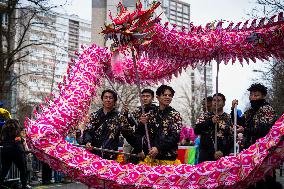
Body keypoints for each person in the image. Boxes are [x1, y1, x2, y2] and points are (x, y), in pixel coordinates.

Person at [231, 83, 278, 189]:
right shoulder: (250, 111)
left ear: (263, 96)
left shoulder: (267, 110)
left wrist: (245, 130)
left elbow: (264, 129)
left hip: (265, 150)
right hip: (250, 150)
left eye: (256, 95)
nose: (253, 97)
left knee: (265, 180)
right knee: (250, 179)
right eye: (251, 95)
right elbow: (239, 122)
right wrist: (233, 109)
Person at [125, 85, 182, 166]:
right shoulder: (150, 114)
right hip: (150, 158)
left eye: (170, 95)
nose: (167, 97)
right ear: (158, 97)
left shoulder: (175, 115)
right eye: (164, 95)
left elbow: (175, 137)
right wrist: (141, 124)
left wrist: (158, 148)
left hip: (168, 158)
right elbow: (139, 133)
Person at [83, 89, 122, 160]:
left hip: (110, 155)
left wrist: (138, 149)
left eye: (110, 98)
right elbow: (87, 131)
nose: (108, 100)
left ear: (114, 101)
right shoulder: (94, 115)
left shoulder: (120, 117)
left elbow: (129, 134)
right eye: (105, 97)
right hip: (94, 154)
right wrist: (87, 141)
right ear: (102, 100)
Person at [194, 93, 233, 163]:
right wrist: (210, 121)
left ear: (224, 103)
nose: (216, 102)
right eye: (214, 100)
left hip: (222, 157)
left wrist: (222, 151)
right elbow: (196, 130)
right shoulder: (204, 116)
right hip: (206, 157)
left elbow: (231, 137)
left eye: (218, 100)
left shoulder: (228, 118)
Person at [121, 88, 157, 164]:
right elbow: (128, 123)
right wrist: (126, 114)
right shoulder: (137, 111)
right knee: (132, 166)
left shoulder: (157, 111)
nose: (145, 98)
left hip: (153, 144)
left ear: (152, 98)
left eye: (148, 96)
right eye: (143, 96)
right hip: (138, 144)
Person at [0, 119, 28, 189]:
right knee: (23, 169)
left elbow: (1, 140)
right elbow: (18, 140)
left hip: (5, 151)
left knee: (4, 170)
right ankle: (24, 185)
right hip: (16, 151)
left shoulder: (4, 131)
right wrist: (22, 141)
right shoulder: (16, 130)